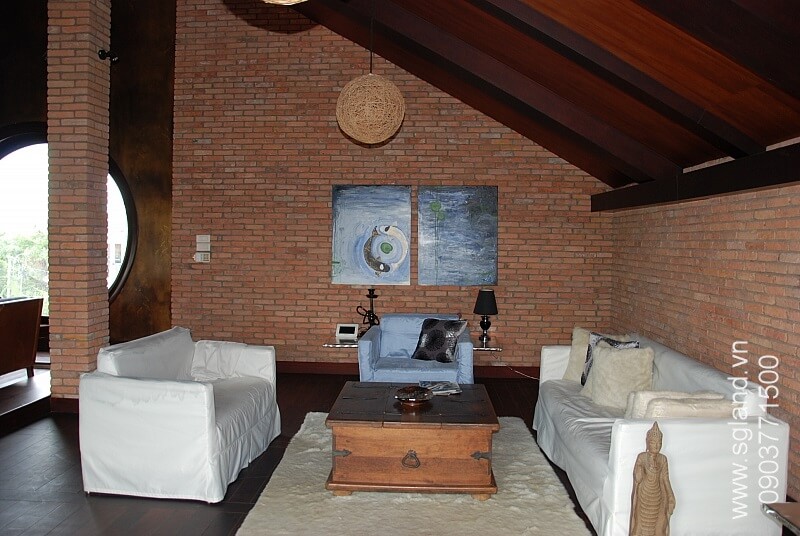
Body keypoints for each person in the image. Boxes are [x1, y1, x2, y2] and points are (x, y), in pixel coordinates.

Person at [630, 422, 676, 536]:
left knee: (659, 527)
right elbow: (638, 478)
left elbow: (665, 479)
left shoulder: (663, 459)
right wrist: (639, 469)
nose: (656, 446)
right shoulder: (642, 457)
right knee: (639, 526)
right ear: (647, 443)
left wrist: (671, 496)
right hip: (643, 497)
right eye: (653, 442)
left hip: (658, 498)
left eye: (659, 443)